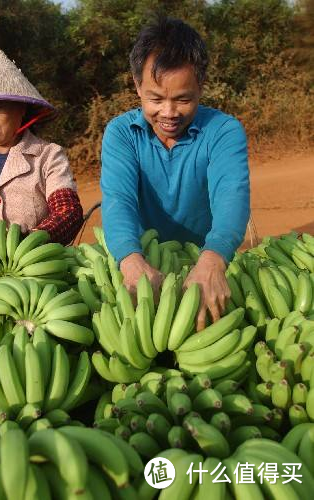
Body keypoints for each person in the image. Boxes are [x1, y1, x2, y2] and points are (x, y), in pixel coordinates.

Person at [101, 16, 250, 330]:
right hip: (144, 259)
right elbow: (119, 200)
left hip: (209, 257)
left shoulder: (223, 131)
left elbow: (231, 196)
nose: (168, 113)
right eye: (155, 98)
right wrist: (130, 259)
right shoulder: (121, 133)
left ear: (201, 86)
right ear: (137, 85)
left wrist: (213, 259)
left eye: (183, 99)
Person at [0, 49, 83, 245]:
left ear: (21, 110)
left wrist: (33, 238)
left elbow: (67, 211)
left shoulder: (48, 156)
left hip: (34, 262)